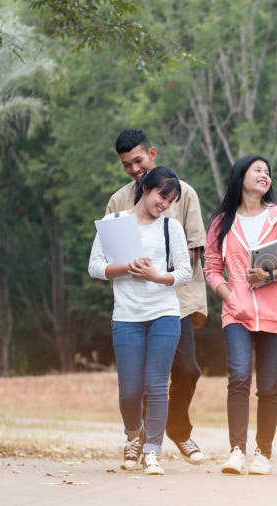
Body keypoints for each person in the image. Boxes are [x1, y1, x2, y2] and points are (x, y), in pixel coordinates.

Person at [105, 129, 208, 466]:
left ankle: (177, 428)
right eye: (127, 165)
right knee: (143, 379)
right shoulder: (118, 201)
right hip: (135, 306)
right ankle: (143, 440)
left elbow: (194, 248)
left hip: (176, 299)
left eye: (138, 160)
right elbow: (109, 256)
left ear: (152, 152)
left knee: (188, 369)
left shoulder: (185, 193)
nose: (134, 168)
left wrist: (161, 274)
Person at [204, 155, 277, 475]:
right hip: (236, 313)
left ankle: (263, 453)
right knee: (238, 377)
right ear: (241, 176)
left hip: (275, 315)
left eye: (267, 172)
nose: (264, 175)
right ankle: (236, 451)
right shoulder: (222, 222)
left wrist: (270, 275)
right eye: (257, 170)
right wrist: (229, 296)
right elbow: (211, 268)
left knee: (268, 386)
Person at [88, 166, 193, 475]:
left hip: (164, 313)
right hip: (127, 316)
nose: (165, 204)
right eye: (162, 195)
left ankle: (152, 451)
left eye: (171, 199)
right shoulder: (114, 224)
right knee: (130, 389)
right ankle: (134, 434)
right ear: (146, 188)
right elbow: (95, 266)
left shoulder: (170, 227)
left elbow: (185, 272)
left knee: (157, 384)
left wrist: (157, 276)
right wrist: (125, 269)